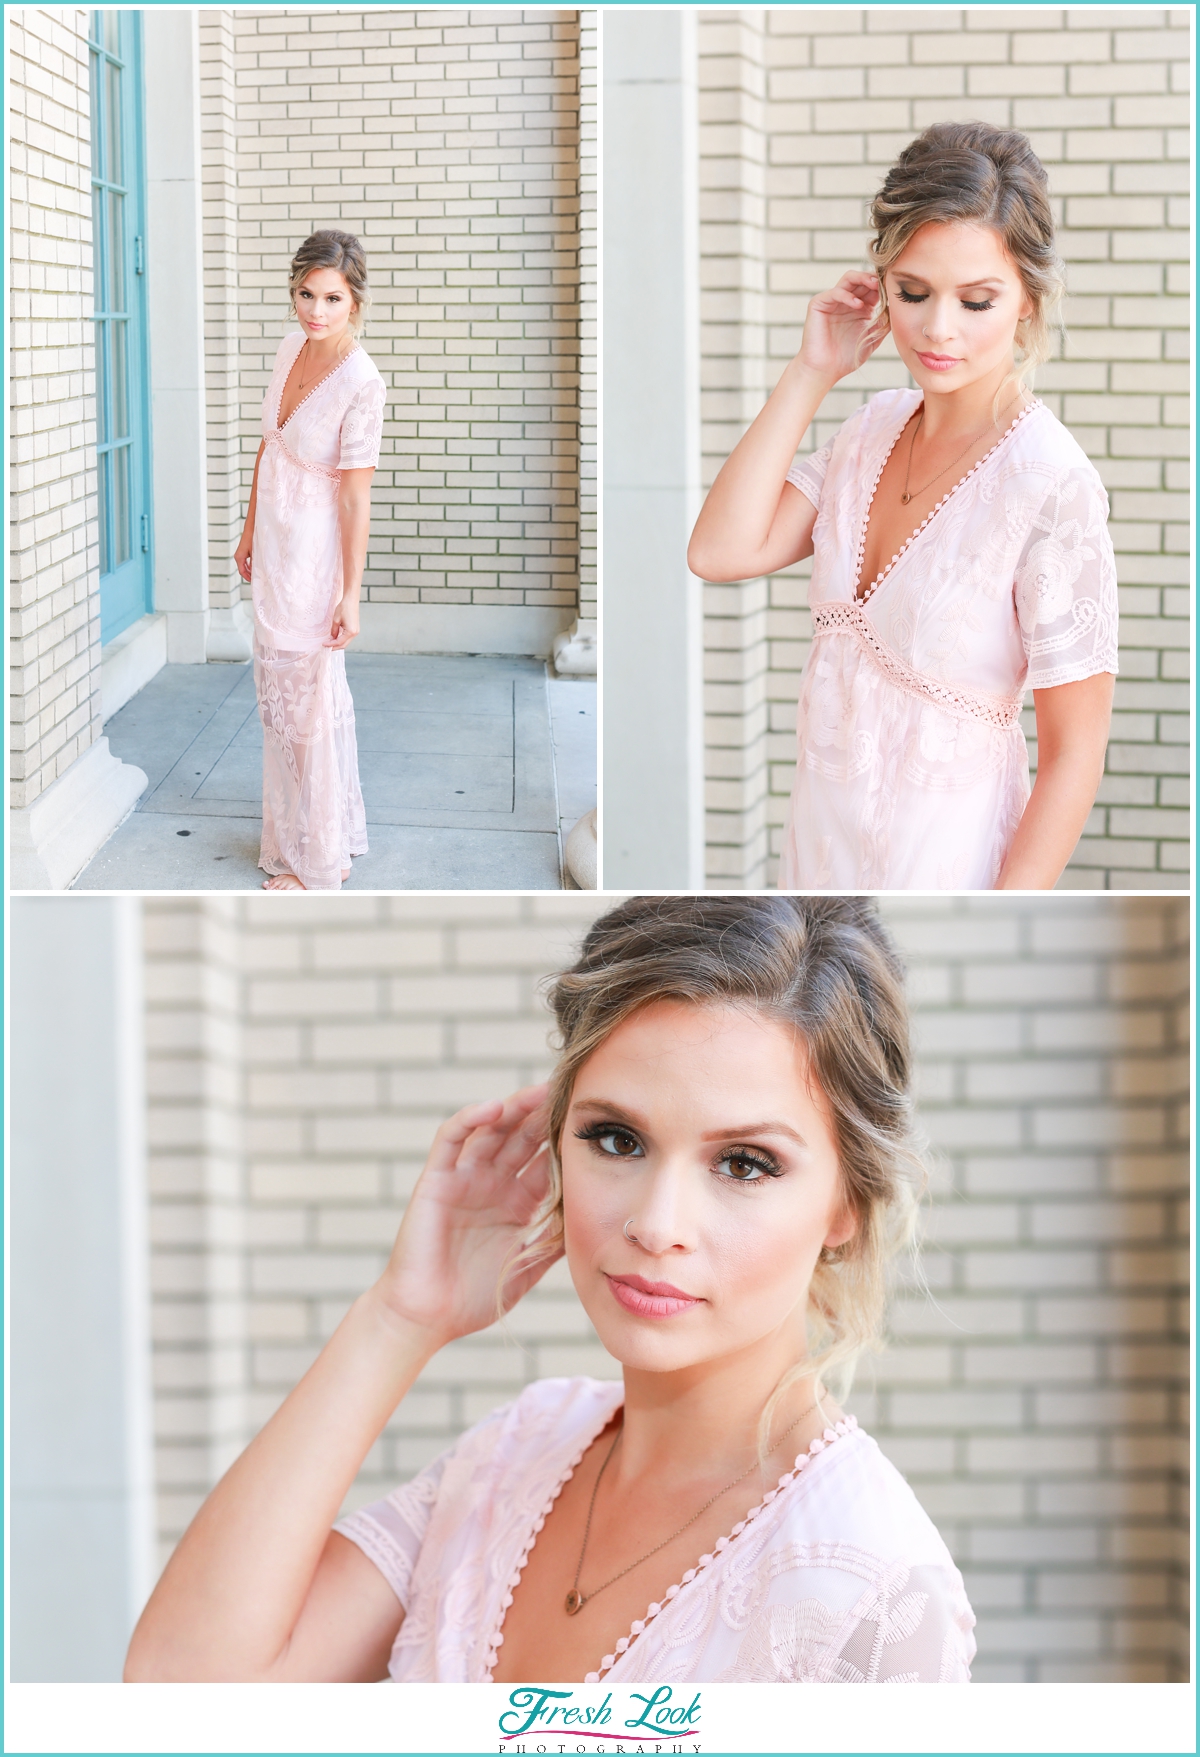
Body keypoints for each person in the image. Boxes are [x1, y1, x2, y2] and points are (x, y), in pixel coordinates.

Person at [124, 895, 976, 1685]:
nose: (656, 1221)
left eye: (744, 1162)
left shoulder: (877, 1594)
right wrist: (398, 1319)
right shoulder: (513, 1455)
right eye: (616, 1138)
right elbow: (178, 1695)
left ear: (847, 1203)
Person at [688, 123, 1119, 892]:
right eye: (912, 292)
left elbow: (1074, 756)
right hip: (819, 864)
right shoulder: (868, 433)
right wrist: (811, 369)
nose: (937, 329)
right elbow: (719, 552)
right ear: (881, 283)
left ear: (1027, 298)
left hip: (949, 871)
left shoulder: (1051, 485)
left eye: (977, 300)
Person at [235, 230, 386, 892]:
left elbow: (355, 497)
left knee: (307, 706)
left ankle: (317, 862)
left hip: (315, 558)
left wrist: (350, 592)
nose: (315, 311)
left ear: (355, 302)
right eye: (306, 294)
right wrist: (246, 531)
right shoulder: (289, 346)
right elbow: (269, 449)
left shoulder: (362, 381)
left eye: (331, 298)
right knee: (279, 702)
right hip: (272, 545)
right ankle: (316, 832)